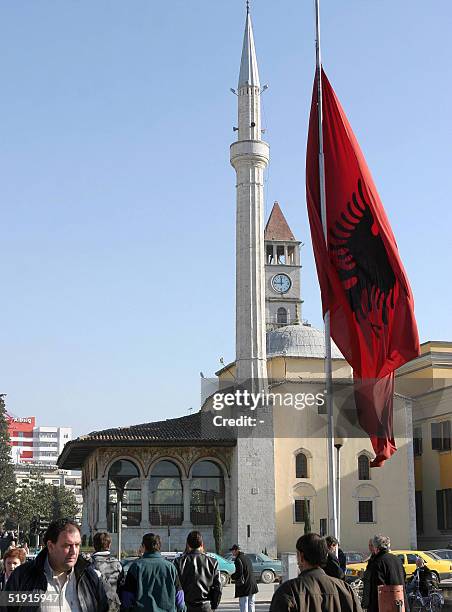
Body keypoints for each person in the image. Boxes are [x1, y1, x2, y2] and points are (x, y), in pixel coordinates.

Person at [4, 518, 108, 612]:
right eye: (67, 545)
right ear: (50, 546)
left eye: (77, 545)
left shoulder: (90, 577)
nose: (74, 551)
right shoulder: (22, 576)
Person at [270, 533, 362, 612]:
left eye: (297, 555)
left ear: (301, 557)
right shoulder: (345, 589)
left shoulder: (289, 591)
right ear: (326, 556)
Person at [120, 533, 185, 612]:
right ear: (159, 547)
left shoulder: (136, 567)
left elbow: (127, 598)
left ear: (144, 546)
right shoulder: (171, 568)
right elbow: (180, 598)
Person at [174, 531, 222, 612]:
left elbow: (175, 587)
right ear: (201, 544)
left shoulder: (179, 562)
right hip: (205, 606)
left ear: (188, 544)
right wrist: (214, 605)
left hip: (185, 606)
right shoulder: (212, 562)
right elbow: (218, 588)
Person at [366, 534, 407, 612]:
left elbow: (378, 586)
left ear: (376, 548)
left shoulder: (378, 562)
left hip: (385, 604)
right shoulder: (397, 559)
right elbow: (404, 578)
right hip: (400, 602)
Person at [90, 532, 122, 611]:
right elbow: (122, 585)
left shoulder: (89, 564)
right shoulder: (117, 564)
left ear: (94, 545)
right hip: (113, 607)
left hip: (94, 607)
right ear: (109, 545)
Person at [230, 544, 258, 612]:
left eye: (233, 550)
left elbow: (239, 573)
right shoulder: (247, 557)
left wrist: (232, 576)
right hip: (252, 584)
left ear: (236, 550)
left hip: (244, 586)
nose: (232, 552)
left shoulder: (238, 559)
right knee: (251, 604)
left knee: (243, 605)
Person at [360, 539, 376, 611]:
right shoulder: (371, 557)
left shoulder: (376, 558)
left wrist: (364, 575)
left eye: (371, 545)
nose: (370, 547)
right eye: (369, 545)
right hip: (368, 591)